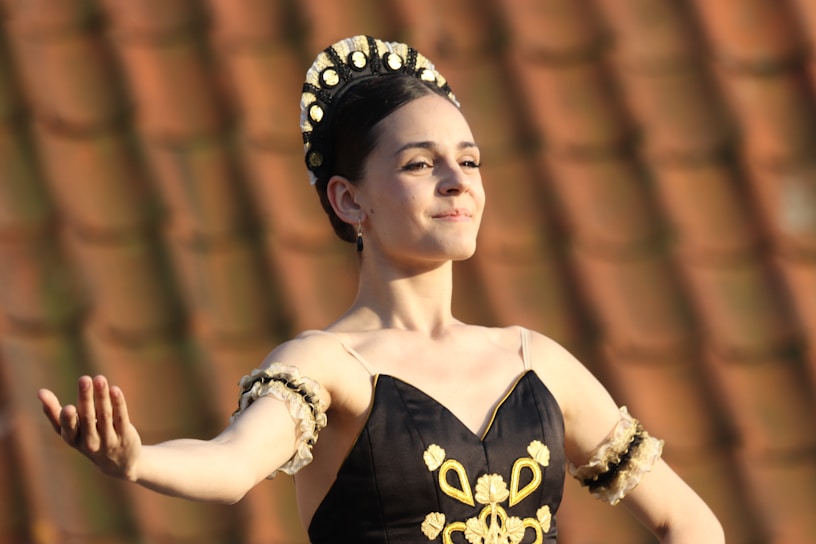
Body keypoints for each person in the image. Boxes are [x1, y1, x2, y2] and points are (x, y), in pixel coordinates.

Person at [38, 35, 724, 543]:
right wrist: (137, 462)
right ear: (348, 200)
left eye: (470, 161)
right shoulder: (327, 366)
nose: (457, 181)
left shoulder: (535, 362)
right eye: (420, 164)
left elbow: (691, 523)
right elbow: (231, 465)